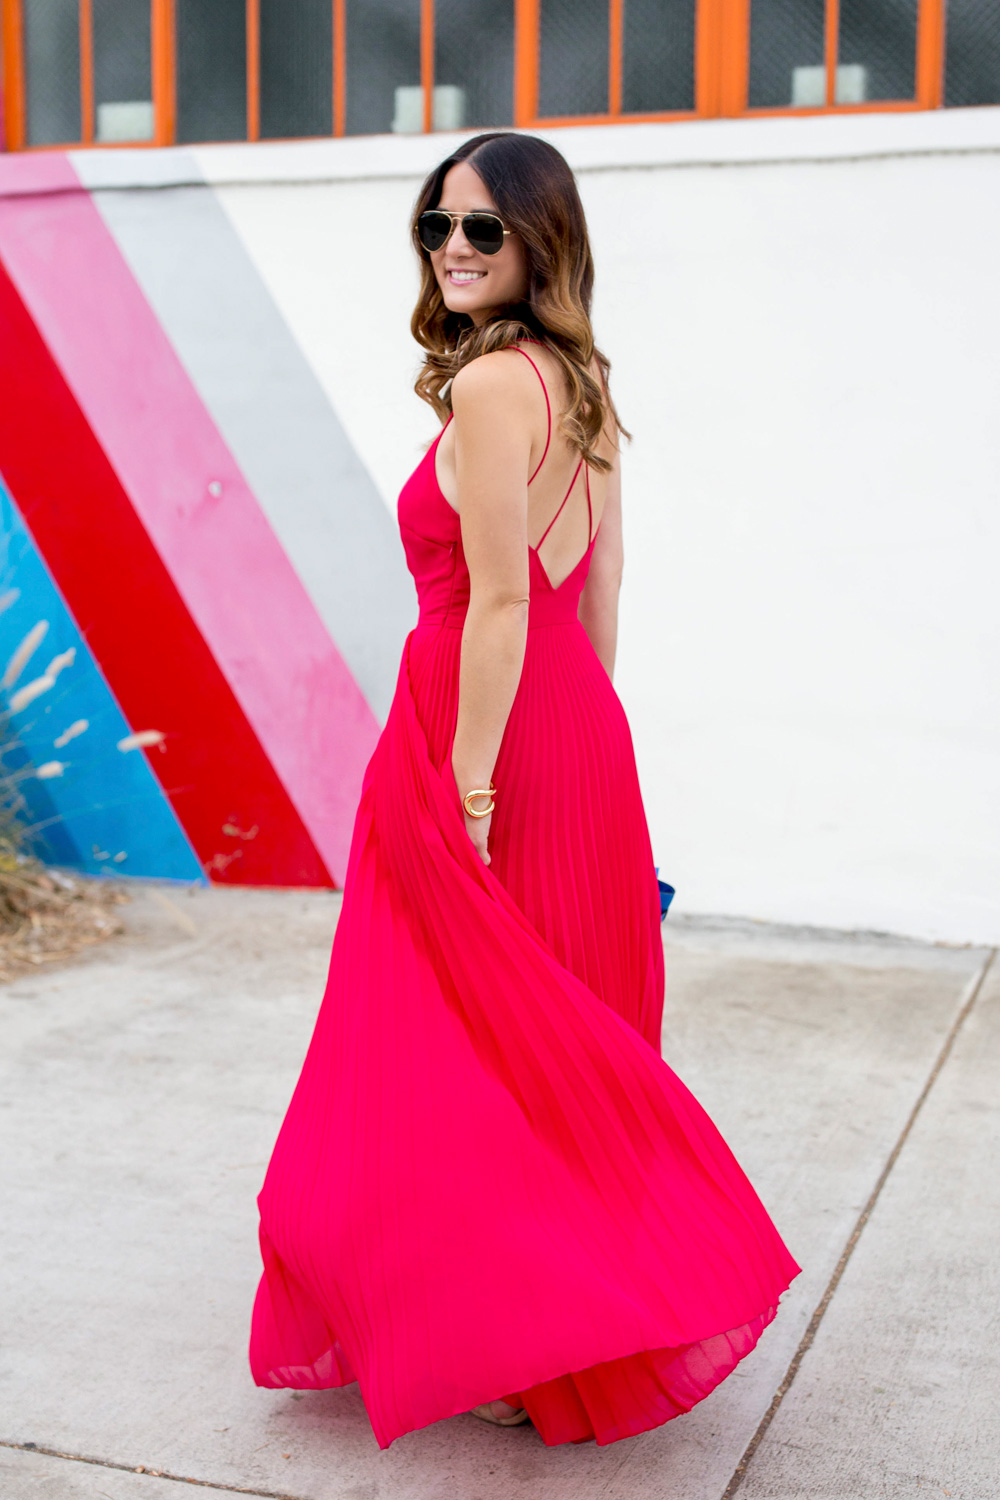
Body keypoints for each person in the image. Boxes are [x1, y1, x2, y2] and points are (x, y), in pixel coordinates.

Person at [249, 131, 799, 1448]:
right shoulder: (583, 378)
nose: (452, 246)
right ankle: (555, 1327)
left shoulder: (496, 384)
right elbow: (595, 593)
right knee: (546, 1034)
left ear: (538, 240)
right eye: (438, 223)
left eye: (483, 229)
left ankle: (515, 1330)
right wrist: (580, 746)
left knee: (437, 1038)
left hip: (475, 731)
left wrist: (477, 791)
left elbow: (498, 603)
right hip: (569, 728)